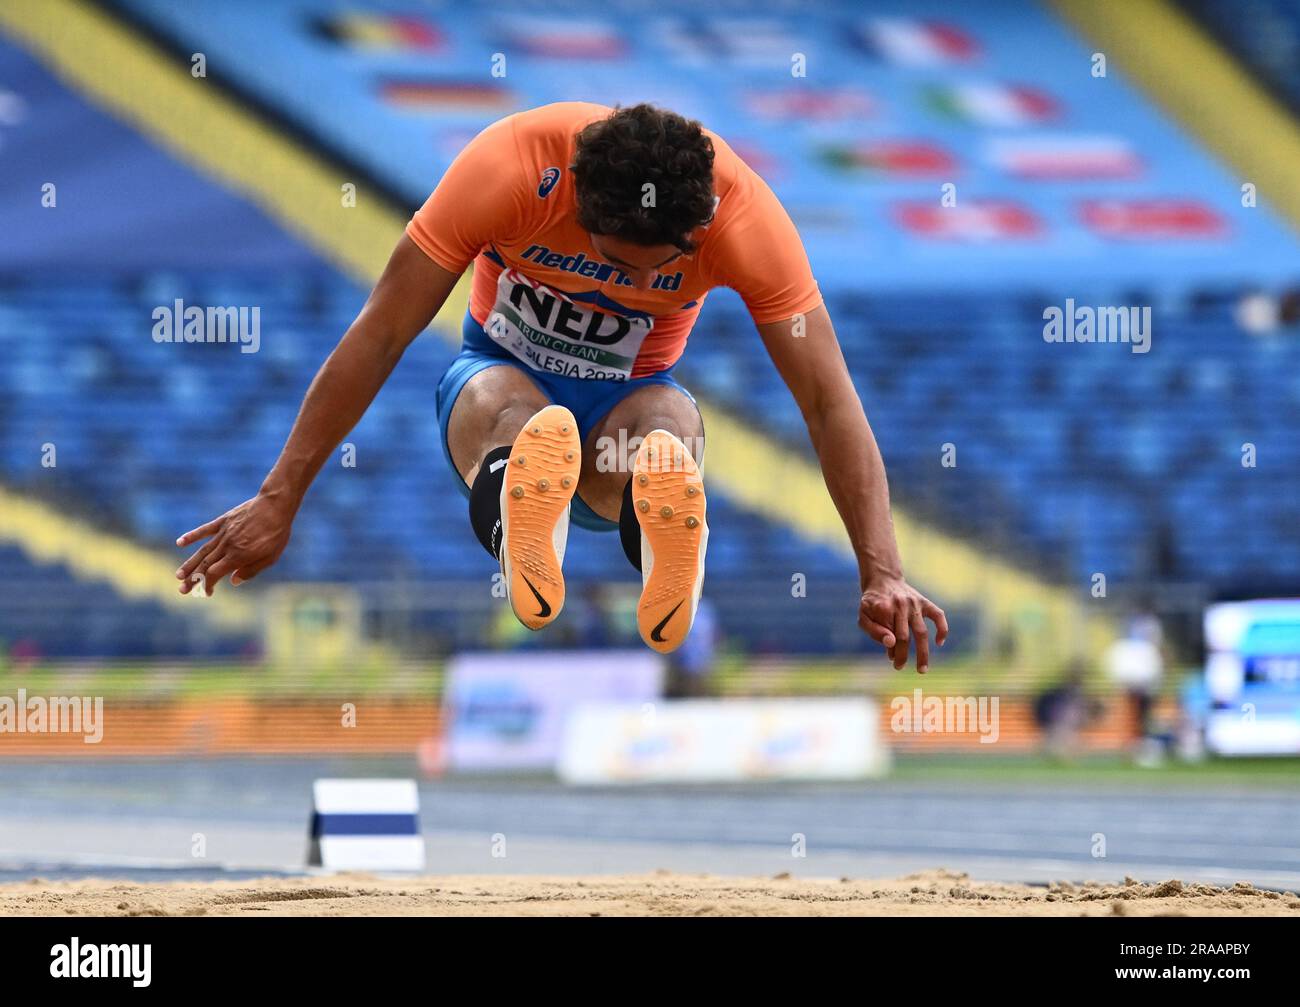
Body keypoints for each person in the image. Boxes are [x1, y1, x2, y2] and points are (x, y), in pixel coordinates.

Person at [174, 102, 947, 665]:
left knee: (664, 422)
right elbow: (381, 330)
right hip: (500, 371)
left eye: (656, 275)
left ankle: (657, 516)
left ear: (697, 225)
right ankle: (524, 495)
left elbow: (827, 398)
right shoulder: (507, 167)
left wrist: (883, 570)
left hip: (627, 401)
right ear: (579, 201)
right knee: (503, 405)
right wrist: (280, 495)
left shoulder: (744, 220)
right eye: (614, 263)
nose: (626, 286)